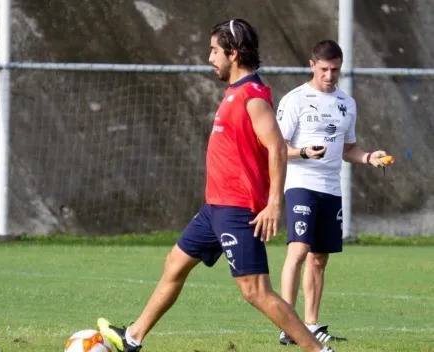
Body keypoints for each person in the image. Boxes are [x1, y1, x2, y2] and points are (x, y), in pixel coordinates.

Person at [97, 19, 335, 352]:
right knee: (174, 264)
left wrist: (273, 204)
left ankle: (319, 350)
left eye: (214, 50)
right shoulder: (235, 92)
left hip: (237, 210)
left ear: (233, 54)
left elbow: (278, 148)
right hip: (215, 208)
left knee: (255, 291)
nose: (210, 57)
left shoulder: (252, 97)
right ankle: (133, 338)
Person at [276, 39, 392, 345]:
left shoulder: (347, 103)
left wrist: (368, 157)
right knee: (298, 250)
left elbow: (349, 148)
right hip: (301, 183)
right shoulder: (295, 99)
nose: (330, 75)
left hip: (330, 187)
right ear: (312, 65)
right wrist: (302, 152)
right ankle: (287, 323)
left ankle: (310, 324)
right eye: (324, 69)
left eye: (335, 70)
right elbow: (274, 147)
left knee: (320, 257)